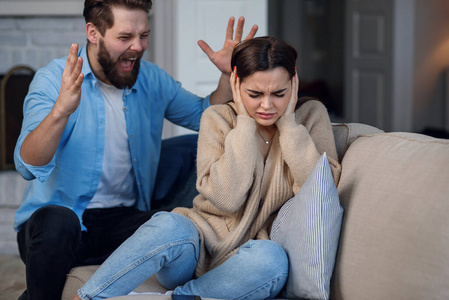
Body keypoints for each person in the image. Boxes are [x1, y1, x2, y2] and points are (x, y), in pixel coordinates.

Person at [13, 0, 258, 299]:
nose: (139, 46)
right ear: (93, 32)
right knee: (58, 222)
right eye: (125, 37)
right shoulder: (53, 80)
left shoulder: (152, 79)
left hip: (122, 220)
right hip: (57, 226)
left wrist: (225, 76)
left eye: (144, 36)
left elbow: (204, 115)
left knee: (174, 224)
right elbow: (27, 165)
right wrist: (60, 112)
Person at [73, 36, 342, 300]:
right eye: (255, 94)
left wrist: (289, 125)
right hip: (196, 250)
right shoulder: (217, 118)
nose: (267, 105)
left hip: (246, 263)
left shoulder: (309, 117)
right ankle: (87, 297)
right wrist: (245, 124)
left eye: (279, 94)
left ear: (293, 82)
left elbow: (319, 190)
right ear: (236, 83)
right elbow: (227, 199)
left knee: (272, 259)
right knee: (169, 223)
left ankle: (181, 298)